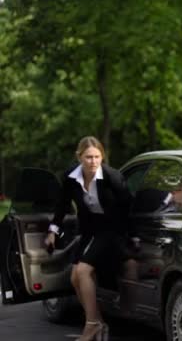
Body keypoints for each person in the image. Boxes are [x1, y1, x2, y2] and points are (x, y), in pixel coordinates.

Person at [44, 136, 132, 341]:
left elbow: (128, 205)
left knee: (83, 271)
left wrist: (131, 237)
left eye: (97, 157)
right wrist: (52, 231)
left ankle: (91, 325)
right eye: (88, 157)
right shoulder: (70, 177)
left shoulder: (112, 177)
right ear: (79, 157)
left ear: (102, 156)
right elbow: (62, 204)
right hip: (89, 230)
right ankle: (99, 323)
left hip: (112, 231)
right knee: (75, 277)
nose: (93, 162)